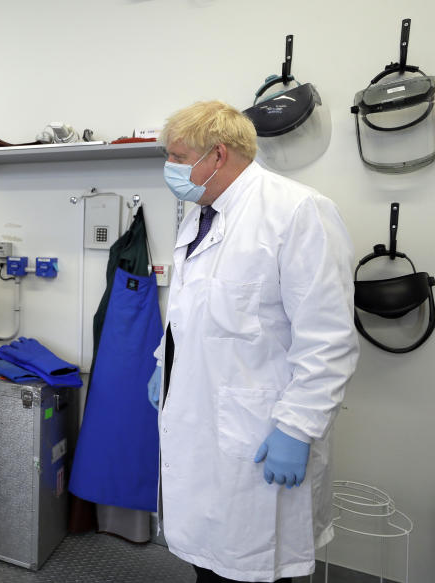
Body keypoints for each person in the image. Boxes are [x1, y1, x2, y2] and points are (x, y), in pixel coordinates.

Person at [148, 101, 359, 583]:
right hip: (203, 427)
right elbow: (188, 312)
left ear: (217, 155)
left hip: (260, 437)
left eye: (178, 157)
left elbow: (327, 338)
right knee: (211, 565)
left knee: (257, 567)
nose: (171, 168)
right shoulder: (200, 217)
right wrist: (165, 363)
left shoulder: (297, 211)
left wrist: (298, 428)